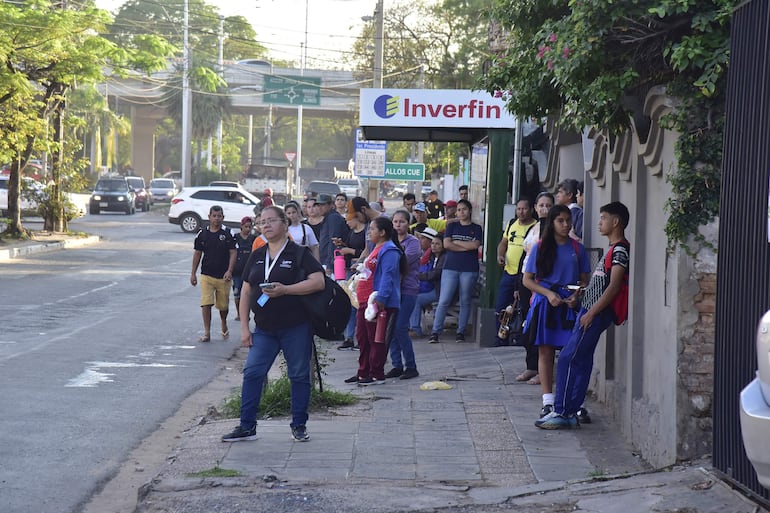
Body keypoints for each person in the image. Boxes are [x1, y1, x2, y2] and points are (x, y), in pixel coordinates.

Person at [221, 206, 325, 443]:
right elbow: (246, 291)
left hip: (296, 326)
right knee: (252, 372)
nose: (266, 225)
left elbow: (318, 282)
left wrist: (287, 290)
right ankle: (247, 426)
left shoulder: (299, 253)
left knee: (298, 375)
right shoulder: (257, 255)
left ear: (284, 224)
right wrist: (245, 327)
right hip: (265, 329)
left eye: (271, 221)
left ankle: (299, 424)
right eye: (262, 222)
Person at [536, 202, 630, 429]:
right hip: (588, 309)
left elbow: (614, 286)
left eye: (603, 218)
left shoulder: (619, 250)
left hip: (595, 314)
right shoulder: (611, 249)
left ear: (615, 221)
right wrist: (579, 299)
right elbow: (600, 284)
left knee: (569, 357)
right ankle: (570, 408)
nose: (599, 223)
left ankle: (562, 411)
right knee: (581, 359)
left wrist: (591, 313)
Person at [522, 205, 590, 418]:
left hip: (569, 304)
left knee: (572, 354)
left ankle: (572, 400)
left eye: (568, 220)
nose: (565, 224)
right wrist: (548, 294)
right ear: (552, 223)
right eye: (560, 220)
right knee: (546, 351)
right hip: (546, 303)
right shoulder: (540, 247)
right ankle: (548, 401)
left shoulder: (577, 248)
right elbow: (527, 280)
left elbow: (585, 280)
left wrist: (576, 296)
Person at [343, 216, 405, 386]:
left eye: (372, 229)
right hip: (365, 301)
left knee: (375, 339)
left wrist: (382, 298)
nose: (369, 232)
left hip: (378, 302)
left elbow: (388, 275)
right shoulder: (375, 247)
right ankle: (363, 372)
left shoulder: (390, 250)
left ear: (383, 232)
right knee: (362, 337)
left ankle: (376, 374)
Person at [428, 199, 483, 343]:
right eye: (459, 210)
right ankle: (435, 331)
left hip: (469, 268)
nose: (461, 212)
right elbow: (447, 245)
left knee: (465, 300)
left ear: (470, 210)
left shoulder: (476, 228)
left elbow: (475, 245)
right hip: (451, 267)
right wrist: (465, 246)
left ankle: (461, 331)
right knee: (444, 300)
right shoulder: (452, 226)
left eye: (464, 209)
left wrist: (457, 243)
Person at [519, 191, 555, 384]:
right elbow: (523, 256)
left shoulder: (554, 230)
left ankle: (545, 371)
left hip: (542, 283)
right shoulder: (533, 227)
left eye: (548, 206)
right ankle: (531, 366)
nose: (544, 209)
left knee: (541, 327)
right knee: (528, 325)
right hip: (526, 278)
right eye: (541, 205)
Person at [494, 198, 537, 347]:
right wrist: (500, 255)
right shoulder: (512, 223)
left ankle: (521, 337)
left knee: (523, 307)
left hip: (526, 274)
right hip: (508, 272)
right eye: (518, 209)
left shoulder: (536, 227)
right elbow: (503, 242)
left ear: (531, 209)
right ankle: (500, 338)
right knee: (502, 307)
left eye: (524, 209)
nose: (521, 212)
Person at [385, 209, 422, 380]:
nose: (398, 225)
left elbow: (401, 264)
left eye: (402, 222)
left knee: (400, 327)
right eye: (395, 222)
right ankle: (396, 365)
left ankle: (411, 366)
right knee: (390, 328)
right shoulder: (389, 242)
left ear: (408, 223)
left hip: (407, 289)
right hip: (392, 290)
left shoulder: (413, 243)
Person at [190, 205, 236, 343]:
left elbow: (233, 252)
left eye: (219, 216)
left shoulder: (228, 233)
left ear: (223, 217)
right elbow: (197, 253)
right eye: (214, 216)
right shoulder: (202, 234)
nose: (216, 219)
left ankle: (223, 322)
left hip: (223, 276)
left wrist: (230, 271)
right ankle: (207, 332)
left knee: (223, 306)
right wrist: (193, 273)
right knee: (206, 303)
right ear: (209, 217)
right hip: (206, 274)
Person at [336, 201, 368, 350]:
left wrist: (349, 251)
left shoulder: (367, 231)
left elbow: (365, 251)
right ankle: (349, 337)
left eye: (349, 220)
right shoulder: (351, 233)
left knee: (358, 304)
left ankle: (359, 338)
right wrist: (342, 245)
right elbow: (349, 247)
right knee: (349, 304)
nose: (347, 223)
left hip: (361, 270)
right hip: (350, 269)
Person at [409, 228, 445, 336]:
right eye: (433, 243)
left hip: (439, 290)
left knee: (416, 300)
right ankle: (411, 326)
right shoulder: (431, 257)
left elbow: (435, 274)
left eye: (437, 244)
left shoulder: (444, 258)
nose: (433, 246)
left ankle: (415, 329)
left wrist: (418, 276)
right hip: (431, 287)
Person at [316, 193, 348, 273]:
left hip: (333, 263)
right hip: (327, 261)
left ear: (331, 205)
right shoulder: (328, 218)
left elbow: (333, 241)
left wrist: (329, 265)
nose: (320, 208)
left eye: (323, 205)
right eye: (318, 205)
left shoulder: (333, 218)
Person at [232, 216, 257, 321]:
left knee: (248, 295)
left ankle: (246, 313)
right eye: (246, 227)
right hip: (237, 271)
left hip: (250, 271)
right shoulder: (235, 238)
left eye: (250, 227)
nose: (248, 229)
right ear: (241, 226)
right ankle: (239, 313)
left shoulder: (254, 239)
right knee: (237, 294)